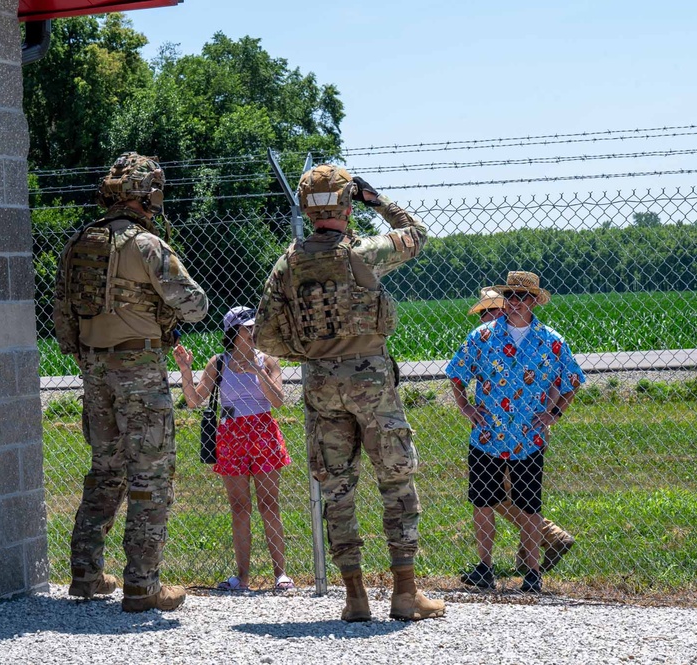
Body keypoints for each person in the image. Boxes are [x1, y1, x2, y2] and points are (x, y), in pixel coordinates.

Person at [253, 165, 445, 622]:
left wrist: (311, 351)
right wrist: (375, 200)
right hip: (372, 382)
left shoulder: (289, 263)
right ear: (345, 203)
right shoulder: (364, 251)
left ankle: (355, 597)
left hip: (321, 384)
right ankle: (404, 592)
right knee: (396, 479)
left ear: (305, 206)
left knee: (337, 490)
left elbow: (264, 335)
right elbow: (415, 234)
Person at [52, 152, 208, 613]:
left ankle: (86, 574)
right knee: (151, 474)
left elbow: (62, 312)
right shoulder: (146, 245)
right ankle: (142, 586)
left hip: (94, 369)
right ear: (148, 196)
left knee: (105, 470)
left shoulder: (80, 242)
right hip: (138, 369)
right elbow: (195, 304)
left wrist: (86, 356)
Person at [446, 271, 584, 593]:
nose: (514, 303)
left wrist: (554, 413)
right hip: (487, 435)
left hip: (528, 438)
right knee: (483, 503)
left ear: (535, 300)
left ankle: (533, 575)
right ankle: (485, 567)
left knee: (529, 506)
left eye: (522, 297)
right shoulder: (481, 337)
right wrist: (466, 407)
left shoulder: (552, 341)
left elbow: (572, 381)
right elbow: (455, 374)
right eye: (510, 296)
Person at [174, 306, 295, 592]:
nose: (253, 332)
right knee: (240, 508)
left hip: (263, 431)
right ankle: (242, 578)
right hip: (231, 434)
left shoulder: (268, 361)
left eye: (255, 327)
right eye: (247, 328)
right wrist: (185, 370)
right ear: (233, 332)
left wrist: (257, 370)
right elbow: (193, 401)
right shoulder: (219, 363)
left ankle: (281, 573)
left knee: (269, 505)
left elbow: (278, 401)